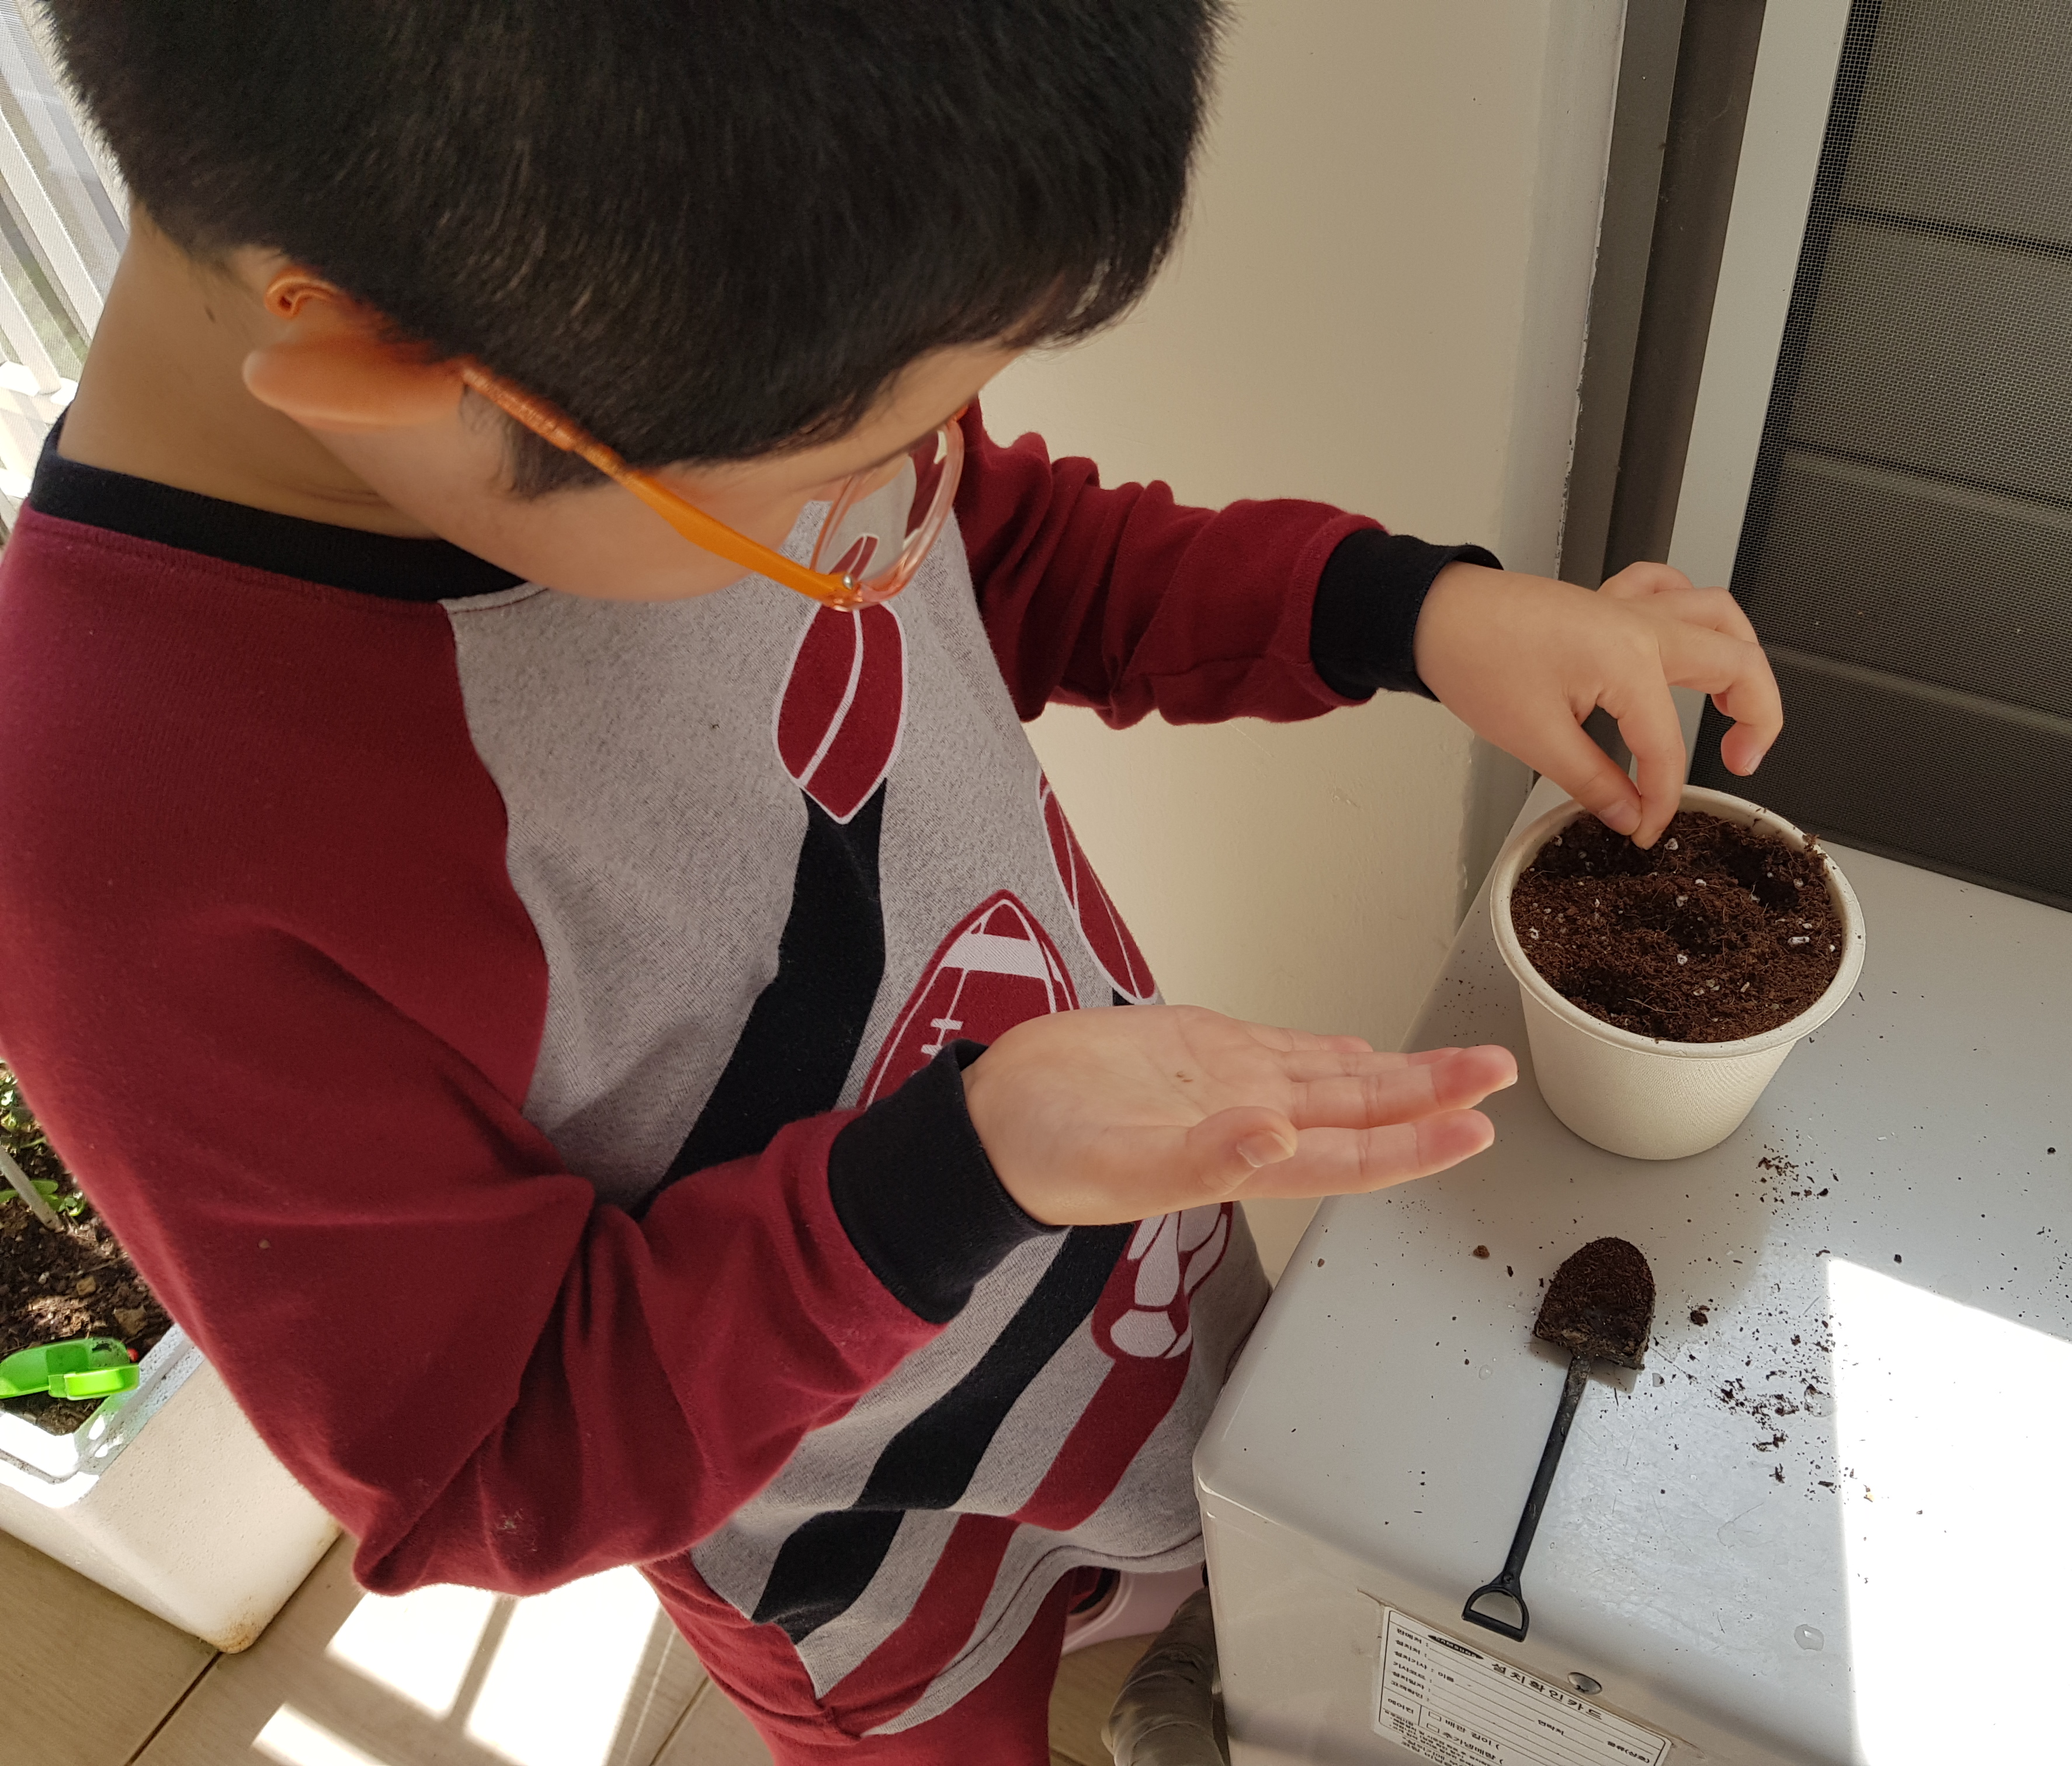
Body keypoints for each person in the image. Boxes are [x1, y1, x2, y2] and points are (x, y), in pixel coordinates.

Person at [0, 4, 1781, 1759]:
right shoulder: (125, 860)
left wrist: (1408, 612)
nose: (903, 491)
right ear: (386, 377)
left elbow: (1008, 548)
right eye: (843, 465)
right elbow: (492, 1461)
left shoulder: (684, 343)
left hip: (1133, 1308)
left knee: (1215, 1589)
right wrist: (960, 1170)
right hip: (853, 1568)